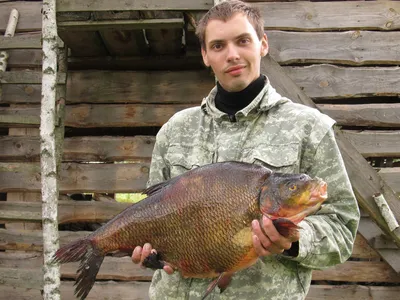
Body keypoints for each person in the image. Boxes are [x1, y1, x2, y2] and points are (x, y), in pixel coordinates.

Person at [132, 1, 360, 299]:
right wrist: (153, 255)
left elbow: (342, 231)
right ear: (205, 55)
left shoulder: (309, 128)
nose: (232, 55)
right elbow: (156, 217)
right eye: (218, 46)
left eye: (242, 41)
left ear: (262, 44)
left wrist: (292, 242)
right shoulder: (175, 130)